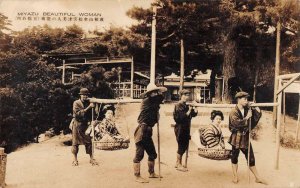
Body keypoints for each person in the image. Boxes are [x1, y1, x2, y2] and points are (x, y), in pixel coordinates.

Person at [228, 91, 267, 184]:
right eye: (244, 99)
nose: (246, 100)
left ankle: (258, 177)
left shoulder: (248, 109)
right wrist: (247, 118)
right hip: (236, 138)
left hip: (245, 138)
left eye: (247, 99)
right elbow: (236, 123)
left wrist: (256, 108)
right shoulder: (233, 111)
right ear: (238, 100)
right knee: (234, 157)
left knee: (251, 157)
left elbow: (255, 118)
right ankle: (235, 176)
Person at [133, 84, 167, 183]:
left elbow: (159, 100)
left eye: (156, 92)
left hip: (148, 130)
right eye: (153, 92)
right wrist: (159, 93)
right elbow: (160, 98)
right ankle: (137, 175)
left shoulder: (154, 103)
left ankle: (151, 173)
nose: (155, 94)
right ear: (149, 94)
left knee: (152, 154)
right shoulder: (147, 101)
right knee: (139, 154)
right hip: (142, 130)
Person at [71, 88, 98, 166]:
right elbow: (77, 114)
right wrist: (89, 107)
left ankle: (91, 158)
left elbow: (93, 114)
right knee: (75, 143)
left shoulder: (89, 102)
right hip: (77, 125)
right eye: (83, 95)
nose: (85, 97)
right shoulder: (76, 103)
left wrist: (95, 105)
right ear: (80, 96)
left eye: (86, 95)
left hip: (85, 125)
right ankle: (75, 160)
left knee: (89, 142)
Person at [173, 89, 198, 172]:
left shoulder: (185, 105)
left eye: (187, 95)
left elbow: (192, 115)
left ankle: (178, 163)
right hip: (180, 128)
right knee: (181, 146)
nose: (186, 97)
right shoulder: (178, 105)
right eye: (184, 95)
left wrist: (195, 108)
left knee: (184, 145)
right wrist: (189, 110)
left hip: (186, 128)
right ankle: (178, 163)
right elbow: (181, 117)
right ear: (181, 96)